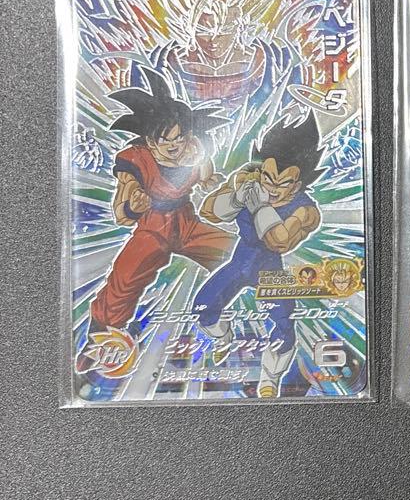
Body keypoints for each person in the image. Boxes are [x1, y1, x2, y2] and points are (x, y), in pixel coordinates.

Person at [79, 68, 230, 371]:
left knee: (237, 253)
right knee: (124, 278)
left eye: (179, 138)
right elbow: (122, 214)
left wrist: (209, 180)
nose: (174, 146)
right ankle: (99, 341)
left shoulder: (195, 149)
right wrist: (133, 206)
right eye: (165, 140)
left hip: (186, 222)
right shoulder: (136, 159)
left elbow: (205, 172)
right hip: (152, 225)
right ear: (150, 139)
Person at [194, 113, 323, 396]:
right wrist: (235, 197)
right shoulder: (248, 178)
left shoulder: (305, 210)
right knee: (203, 308)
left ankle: (269, 378)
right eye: (268, 177)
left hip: (271, 271)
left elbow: (279, 242)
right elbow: (207, 212)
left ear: (297, 184)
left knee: (283, 327)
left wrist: (260, 208)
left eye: (283, 183)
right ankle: (223, 336)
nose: (272, 188)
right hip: (241, 260)